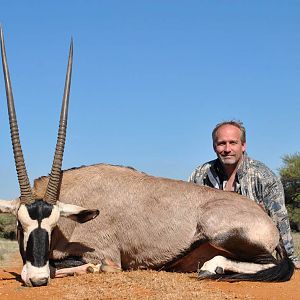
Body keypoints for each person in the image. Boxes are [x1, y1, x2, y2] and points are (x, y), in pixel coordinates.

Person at [189, 120, 300, 268]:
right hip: (210, 251)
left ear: (243, 145)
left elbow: (280, 218)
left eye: (233, 143)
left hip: (251, 250)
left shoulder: (264, 176)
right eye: (221, 143)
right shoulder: (200, 174)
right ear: (214, 146)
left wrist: (290, 257)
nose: (227, 149)